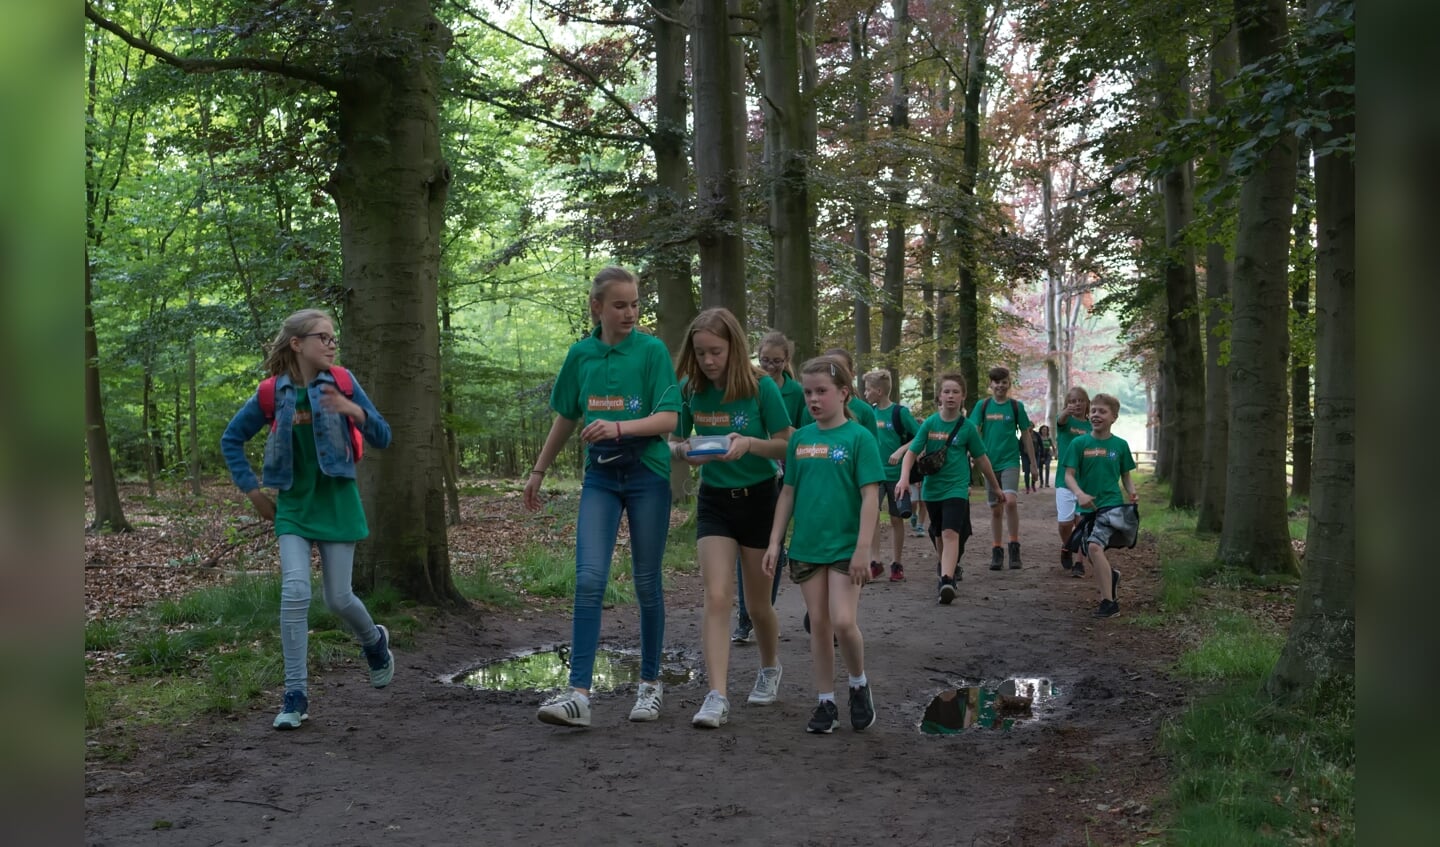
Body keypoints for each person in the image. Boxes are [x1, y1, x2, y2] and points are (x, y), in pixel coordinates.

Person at [220, 309, 394, 731]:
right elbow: (232, 439)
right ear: (297, 344)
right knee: (295, 590)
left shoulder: (345, 383)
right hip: (294, 507)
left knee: (338, 598)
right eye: (323, 337)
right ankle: (295, 694)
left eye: (334, 338)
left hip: (337, 501)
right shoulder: (269, 394)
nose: (332, 344)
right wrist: (255, 493)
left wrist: (353, 409)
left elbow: (383, 437)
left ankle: (374, 641)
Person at [523, 267, 681, 728]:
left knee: (646, 581)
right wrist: (538, 470)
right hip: (600, 479)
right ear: (597, 307)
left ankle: (650, 686)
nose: (630, 312)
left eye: (634, 304)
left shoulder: (651, 352)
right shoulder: (582, 355)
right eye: (620, 305)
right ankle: (578, 694)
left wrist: (618, 428)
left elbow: (668, 418)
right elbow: (566, 416)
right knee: (590, 579)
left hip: (648, 475)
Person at [670, 308, 793, 728]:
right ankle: (717, 695)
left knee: (758, 605)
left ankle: (770, 667)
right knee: (718, 596)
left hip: (760, 498)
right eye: (701, 352)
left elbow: (786, 445)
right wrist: (681, 449)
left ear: (734, 348)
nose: (708, 360)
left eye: (716, 352)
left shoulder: (761, 388)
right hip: (714, 501)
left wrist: (749, 446)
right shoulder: (690, 389)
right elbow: (676, 436)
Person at [764, 356, 885, 734]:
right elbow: (788, 493)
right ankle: (825, 702)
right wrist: (774, 542)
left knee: (844, 622)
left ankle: (858, 683)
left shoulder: (859, 437)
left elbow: (870, 496)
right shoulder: (800, 438)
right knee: (819, 624)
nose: (814, 400)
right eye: (808, 393)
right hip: (807, 547)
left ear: (844, 393)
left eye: (822, 392)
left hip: (846, 547)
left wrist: (864, 548)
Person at [898, 372, 1001, 605]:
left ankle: (946, 579)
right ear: (939, 396)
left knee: (950, 533)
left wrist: (995, 487)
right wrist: (904, 479)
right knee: (938, 533)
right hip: (932, 489)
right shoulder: (930, 424)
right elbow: (912, 452)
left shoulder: (968, 428)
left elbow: (982, 459)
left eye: (955, 392)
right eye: (946, 391)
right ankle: (946, 567)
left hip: (956, 488)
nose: (951, 396)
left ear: (963, 396)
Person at [732, 330, 803, 644]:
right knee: (747, 549)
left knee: (772, 545)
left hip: (789, 472)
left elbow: (804, 432)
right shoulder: (749, 385)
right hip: (757, 471)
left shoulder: (796, 392)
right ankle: (746, 617)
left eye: (777, 361)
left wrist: (784, 437)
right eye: (765, 360)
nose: (771, 366)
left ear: (787, 361)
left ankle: (762, 610)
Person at [797, 348, 881, 579]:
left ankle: (871, 556)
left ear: (849, 376)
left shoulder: (864, 413)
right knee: (820, 613)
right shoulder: (808, 418)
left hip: (852, 491)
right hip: (814, 524)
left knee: (842, 615)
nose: (814, 397)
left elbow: (871, 455)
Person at [1061, 393, 1139, 618]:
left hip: (1111, 507)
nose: (1096, 415)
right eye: (1093, 410)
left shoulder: (1120, 445)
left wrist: (1132, 492)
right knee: (1090, 550)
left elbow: (1125, 476)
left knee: (1094, 547)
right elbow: (1068, 475)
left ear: (1114, 417)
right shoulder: (1079, 443)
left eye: (1102, 411)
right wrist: (1079, 494)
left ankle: (1109, 604)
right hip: (1087, 509)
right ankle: (1111, 577)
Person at [971, 367, 1038, 571]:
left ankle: (1014, 546)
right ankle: (997, 550)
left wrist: (1033, 464)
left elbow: (1026, 434)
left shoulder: (1016, 407)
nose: (1000, 385)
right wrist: (972, 456)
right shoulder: (982, 406)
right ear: (990, 385)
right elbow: (973, 431)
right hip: (989, 463)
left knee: (1010, 502)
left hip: (1010, 460)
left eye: (1004, 382)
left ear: (1009, 384)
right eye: (996, 382)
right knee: (996, 509)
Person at [863, 369, 920, 582]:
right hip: (873, 475)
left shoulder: (900, 413)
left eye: (868, 390)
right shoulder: (869, 413)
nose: (865, 394)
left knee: (897, 519)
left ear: (879, 391)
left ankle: (897, 563)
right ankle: (875, 562)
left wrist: (901, 450)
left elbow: (919, 437)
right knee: (872, 517)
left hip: (897, 476)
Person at [1053, 387, 1092, 575]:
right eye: (1073, 401)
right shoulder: (1065, 423)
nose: (1077, 404)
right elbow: (1060, 420)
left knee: (1082, 522)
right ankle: (1067, 545)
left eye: (1080, 400)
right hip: (1065, 480)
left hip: (1085, 481)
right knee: (1065, 523)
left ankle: (1079, 562)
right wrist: (1065, 413)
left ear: (1087, 403)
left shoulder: (1091, 426)